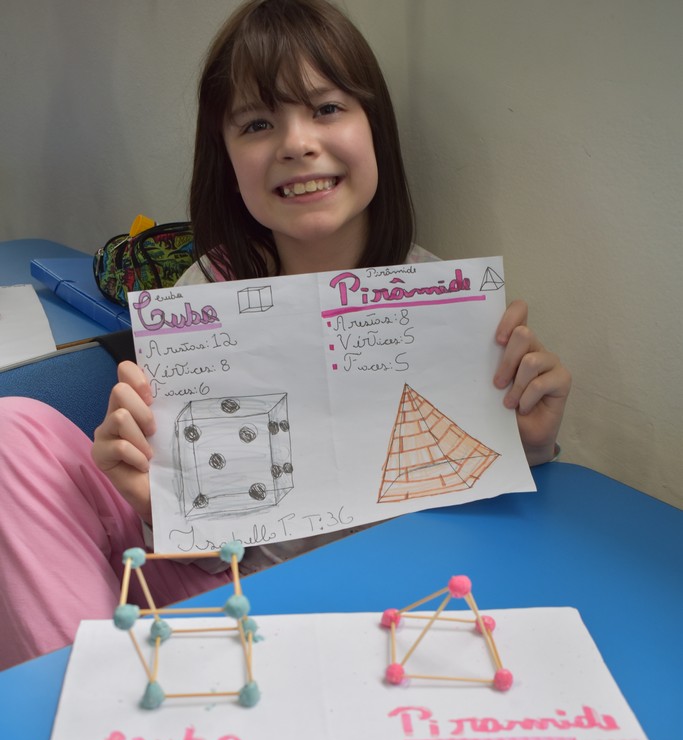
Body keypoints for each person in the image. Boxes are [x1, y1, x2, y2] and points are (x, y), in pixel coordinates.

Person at [0, 0, 570, 671]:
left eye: (326, 108)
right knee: (13, 431)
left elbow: (469, 519)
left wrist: (529, 444)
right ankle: (91, 689)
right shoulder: (203, 293)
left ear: (376, 129)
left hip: (376, 605)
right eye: (257, 123)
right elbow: (209, 546)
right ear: (226, 157)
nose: (296, 143)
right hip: (225, 584)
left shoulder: (444, 306)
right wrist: (160, 498)